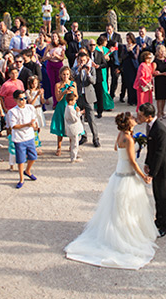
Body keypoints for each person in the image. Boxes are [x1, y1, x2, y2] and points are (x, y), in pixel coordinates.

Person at [65, 112, 156, 269]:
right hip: (127, 173)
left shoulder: (121, 134)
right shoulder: (127, 138)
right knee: (127, 206)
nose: (135, 119)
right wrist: (144, 177)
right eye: (132, 119)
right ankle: (126, 234)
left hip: (119, 171)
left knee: (117, 207)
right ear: (128, 124)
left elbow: (116, 148)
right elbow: (133, 162)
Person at [138, 103, 166, 237]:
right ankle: (159, 220)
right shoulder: (150, 126)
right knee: (157, 196)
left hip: (163, 168)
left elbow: (160, 154)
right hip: (156, 165)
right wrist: (147, 162)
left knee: (162, 197)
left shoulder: (160, 130)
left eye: (142, 115)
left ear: (149, 116)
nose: (139, 117)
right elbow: (151, 148)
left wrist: (152, 174)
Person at [6, 90, 40, 188]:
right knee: (21, 160)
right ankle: (21, 178)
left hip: (29, 136)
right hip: (19, 138)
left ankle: (28, 170)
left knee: (33, 156)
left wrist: (34, 125)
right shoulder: (12, 112)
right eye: (21, 99)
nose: (23, 101)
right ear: (16, 100)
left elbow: (34, 119)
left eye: (25, 98)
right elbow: (14, 126)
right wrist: (27, 125)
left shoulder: (30, 108)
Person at [71, 50, 100, 147]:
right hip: (78, 96)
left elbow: (93, 81)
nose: (82, 62)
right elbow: (72, 79)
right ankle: (83, 136)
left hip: (88, 96)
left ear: (87, 59)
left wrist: (88, 74)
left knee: (91, 118)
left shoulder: (91, 68)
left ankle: (95, 138)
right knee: (79, 118)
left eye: (84, 60)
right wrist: (77, 71)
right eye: (80, 61)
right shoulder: (75, 68)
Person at [49, 66, 76, 156]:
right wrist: (63, 92)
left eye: (67, 74)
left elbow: (77, 96)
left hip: (71, 106)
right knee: (61, 126)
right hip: (61, 106)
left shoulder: (73, 84)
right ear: (60, 75)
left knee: (72, 127)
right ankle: (59, 147)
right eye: (64, 74)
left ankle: (71, 145)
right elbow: (58, 99)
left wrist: (72, 93)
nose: (65, 76)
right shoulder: (58, 85)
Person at [63, 91, 87, 163]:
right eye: (74, 100)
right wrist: (77, 112)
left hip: (72, 128)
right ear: (70, 101)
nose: (75, 102)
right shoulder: (70, 109)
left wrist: (80, 112)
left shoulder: (69, 108)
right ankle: (73, 157)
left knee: (74, 142)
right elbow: (75, 119)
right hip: (73, 128)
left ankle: (74, 154)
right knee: (75, 143)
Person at [152, 45, 166, 121]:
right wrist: (161, 74)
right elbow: (153, 73)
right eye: (161, 51)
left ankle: (163, 111)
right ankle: (159, 113)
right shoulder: (155, 61)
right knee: (159, 98)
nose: (162, 53)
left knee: (164, 97)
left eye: (163, 51)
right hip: (159, 80)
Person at [119, 33, 140, 106]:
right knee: (128, 83)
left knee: (134, 83)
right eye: (127, 38)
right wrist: (127, 51)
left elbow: (135, 57)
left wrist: (131, 51)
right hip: (127, 66)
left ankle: (135, 100)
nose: (128, 40)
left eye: (129, 38)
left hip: (134, 66)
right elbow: (122, 57)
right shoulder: (124, 46)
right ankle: (130, 100)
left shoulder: (136, 46)